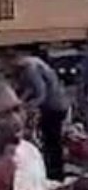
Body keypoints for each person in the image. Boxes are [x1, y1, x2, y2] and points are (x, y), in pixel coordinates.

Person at [6, 51, 69, 181]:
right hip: (56, 105)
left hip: (53, 107)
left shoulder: (31, 68)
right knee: (51, 141)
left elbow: (40, 94)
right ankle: (54, 171)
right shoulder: (31, 65)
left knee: (52, 141)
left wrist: (24, 106)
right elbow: (29, 89)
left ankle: (55, 174)